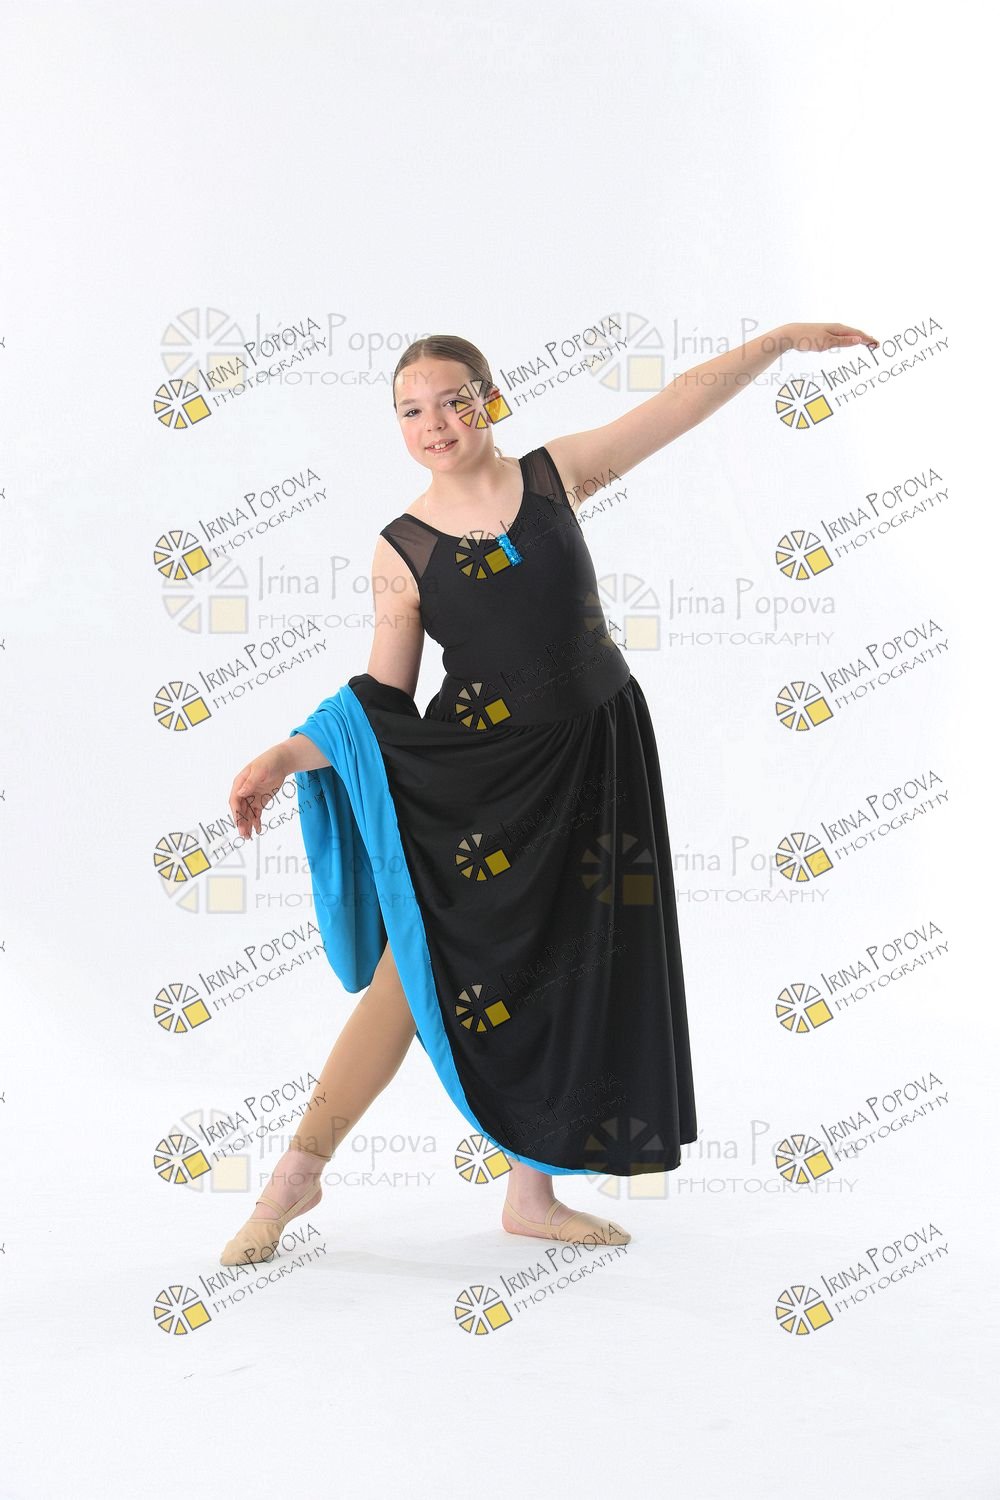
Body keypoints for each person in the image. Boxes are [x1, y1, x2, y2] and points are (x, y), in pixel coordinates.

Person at [219, 322, 879, 1266]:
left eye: (454, 400)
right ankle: (296, 1175)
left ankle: (531, 1196)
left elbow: (678, 406)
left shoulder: (554, 476)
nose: (435, 423)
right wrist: (288, 755)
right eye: (411, 411)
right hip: (482, 786)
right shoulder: (402, 549)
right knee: (412, 978)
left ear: (491, 398)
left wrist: (777, 342)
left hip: (597, 759)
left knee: (576, 961)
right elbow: (381, 703)